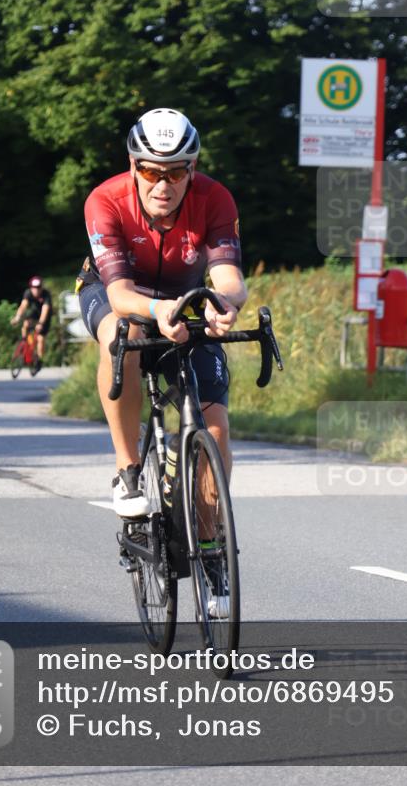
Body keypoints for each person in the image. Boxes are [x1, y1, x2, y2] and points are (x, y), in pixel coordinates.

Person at [76, 108, 247, 525]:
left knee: (217, 430)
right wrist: (157, 310)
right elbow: (120, 294)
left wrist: (222, 303)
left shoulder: (215, 198)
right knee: (123, 332)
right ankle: (128, 468)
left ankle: (210, 553)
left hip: (183, 298)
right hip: (115, 293)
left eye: (176, 172)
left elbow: (229, 277)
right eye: (151, 172)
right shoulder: (105, 200)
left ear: (194, 168)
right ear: (133, 166)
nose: (163, 185)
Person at [10, 276, 53, 371]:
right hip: (34, 313)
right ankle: (25, 341)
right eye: (34, 288)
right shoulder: (28, 293)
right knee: (26, 323)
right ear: (30, 288)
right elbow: (23, 306)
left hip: (44, 316)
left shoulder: (46, 295)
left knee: (40, 339)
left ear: (41, 288)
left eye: (38, 288)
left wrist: (41, 323)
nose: (36, 290)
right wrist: (17, 318)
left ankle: (39, 360)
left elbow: (45, 310)